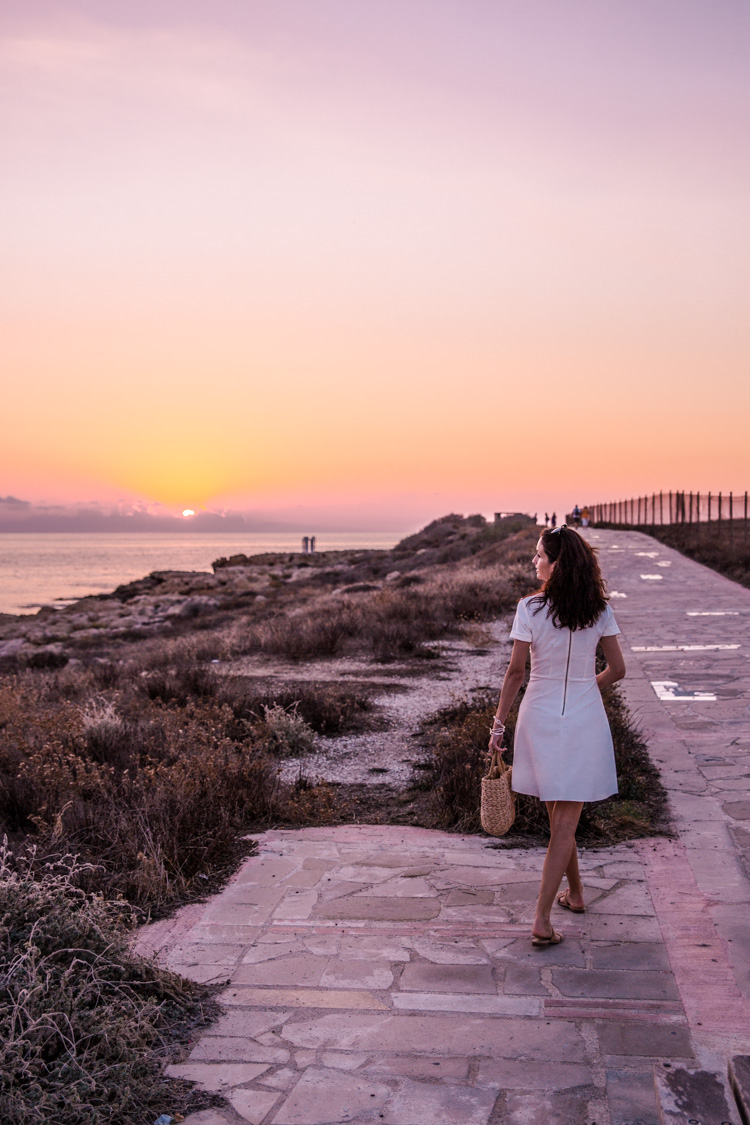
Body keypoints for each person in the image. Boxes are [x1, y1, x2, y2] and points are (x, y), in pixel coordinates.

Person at [488, 525, 625, 947]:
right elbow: (617, 670)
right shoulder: (598, 608)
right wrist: (585, 687)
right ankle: (569, 900)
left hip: (538, 715)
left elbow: (515, 673)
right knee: (563, 820)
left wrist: (497, 725)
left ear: (557, 562)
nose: (534, 561)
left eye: (539, 555)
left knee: (560, 818)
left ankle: (548, 915)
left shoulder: (529, 608)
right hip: (582, 717)